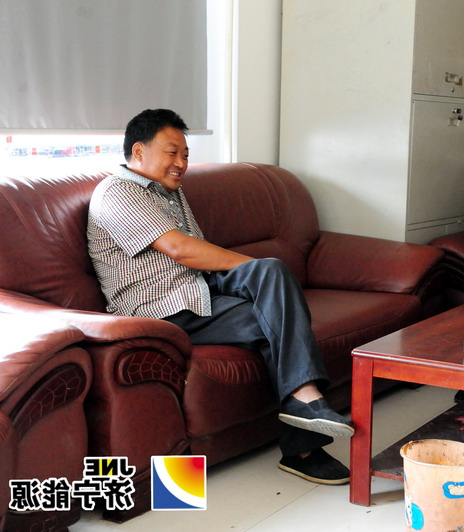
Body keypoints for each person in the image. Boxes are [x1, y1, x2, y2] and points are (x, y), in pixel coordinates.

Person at [87, 108, 353, 485]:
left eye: (185, 155)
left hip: (200, 291)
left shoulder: (170, 192)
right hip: (162, 308)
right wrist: (251, 269)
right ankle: (303, 445)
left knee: (273, 272)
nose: (181, 163)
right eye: (172, 152)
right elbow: (181, 250)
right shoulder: (117, 192)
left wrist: (259, 272)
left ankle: (305, 399)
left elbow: (200, 256)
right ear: (139, 151)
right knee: (276, 319)